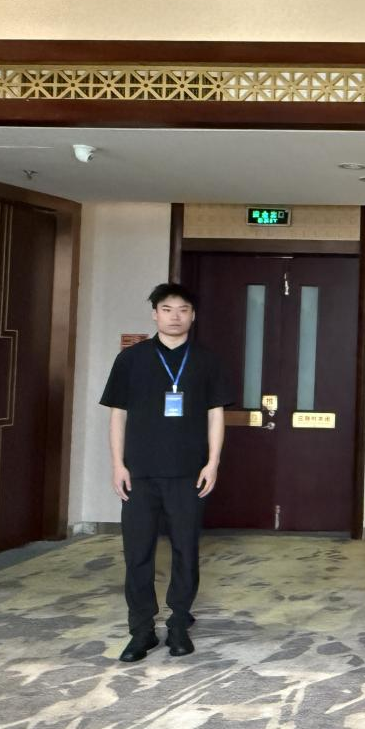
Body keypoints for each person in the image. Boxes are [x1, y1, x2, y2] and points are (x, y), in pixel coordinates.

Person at [100, 283, 233, 662]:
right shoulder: (131, 359)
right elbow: (118, 415)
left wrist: (212, 462)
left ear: (193, 315)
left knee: (185, 550)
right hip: (138, 473)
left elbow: (216, 415)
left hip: (188, 473)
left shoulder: (207, 360)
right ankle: (141, 629)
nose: (175, 316)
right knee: (137, 553)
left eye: (183, 309)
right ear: (154, 314)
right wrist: (117, 464)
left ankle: (178, 624)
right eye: (167, 309)